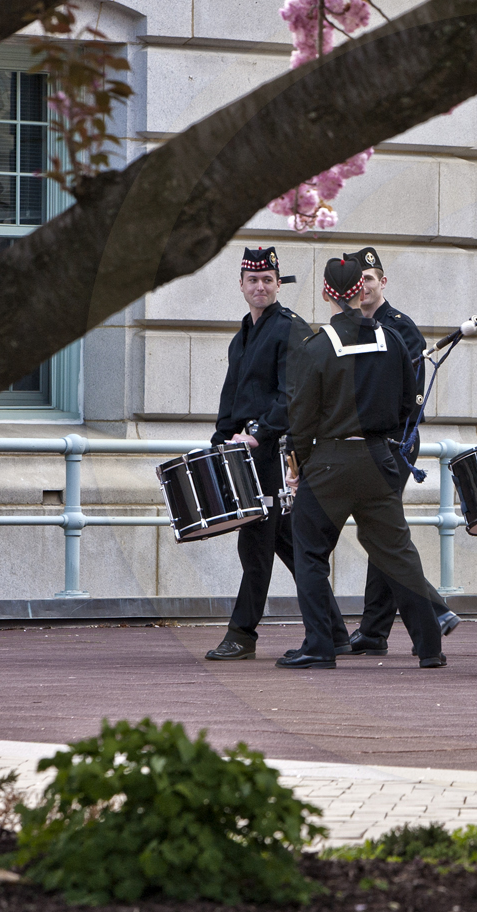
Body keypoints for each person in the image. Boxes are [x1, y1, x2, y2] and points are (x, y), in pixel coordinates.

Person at [277, 256, 449, 669]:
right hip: (380, 457)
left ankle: (321, 644)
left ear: (326, 294)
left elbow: (301, 416)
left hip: (332, 459)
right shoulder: (393, 340)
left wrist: (296, 460)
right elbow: (410, 403)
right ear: (360, 290)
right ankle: (430, 647)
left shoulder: (315, 347)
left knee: (310, 550)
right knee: (397, 552)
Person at [203, 248, 351, 661]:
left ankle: (242, 634)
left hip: (275, 453)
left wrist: (259, 433)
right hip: (246, 453)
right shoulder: (243, 335)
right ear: (241, 285)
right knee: (287, 543)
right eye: (253, 280)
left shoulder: (289, 329)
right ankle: (336, 631)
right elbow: (231, 394)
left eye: (268, 279)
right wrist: (221, 439)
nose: (260, 286)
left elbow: (296, 395)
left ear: (277, 283)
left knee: (254, 545)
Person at [339, 246, 462, 658]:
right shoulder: (349, 327)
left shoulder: (399, 328)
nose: (365, 287)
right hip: (365, 443)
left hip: (394, 442)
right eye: (359, 281)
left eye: (370, 279)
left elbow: (408, 395)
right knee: (379, 531)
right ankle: (376, 631)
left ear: (381, 282)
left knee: (381, 532)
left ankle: (431, 609)